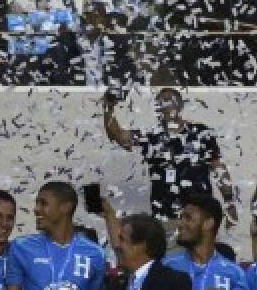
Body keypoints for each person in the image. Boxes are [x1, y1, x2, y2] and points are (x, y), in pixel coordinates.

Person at [102, 87, 238, 231]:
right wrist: (108, 107)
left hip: (199, 216)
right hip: (165, 218)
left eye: (168, 99)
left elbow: (218, 168)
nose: (164, 104)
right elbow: (118, 135)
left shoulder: (200, 132)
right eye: (160, 101)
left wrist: (229, 203)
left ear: (180, 105)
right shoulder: (151, 136)